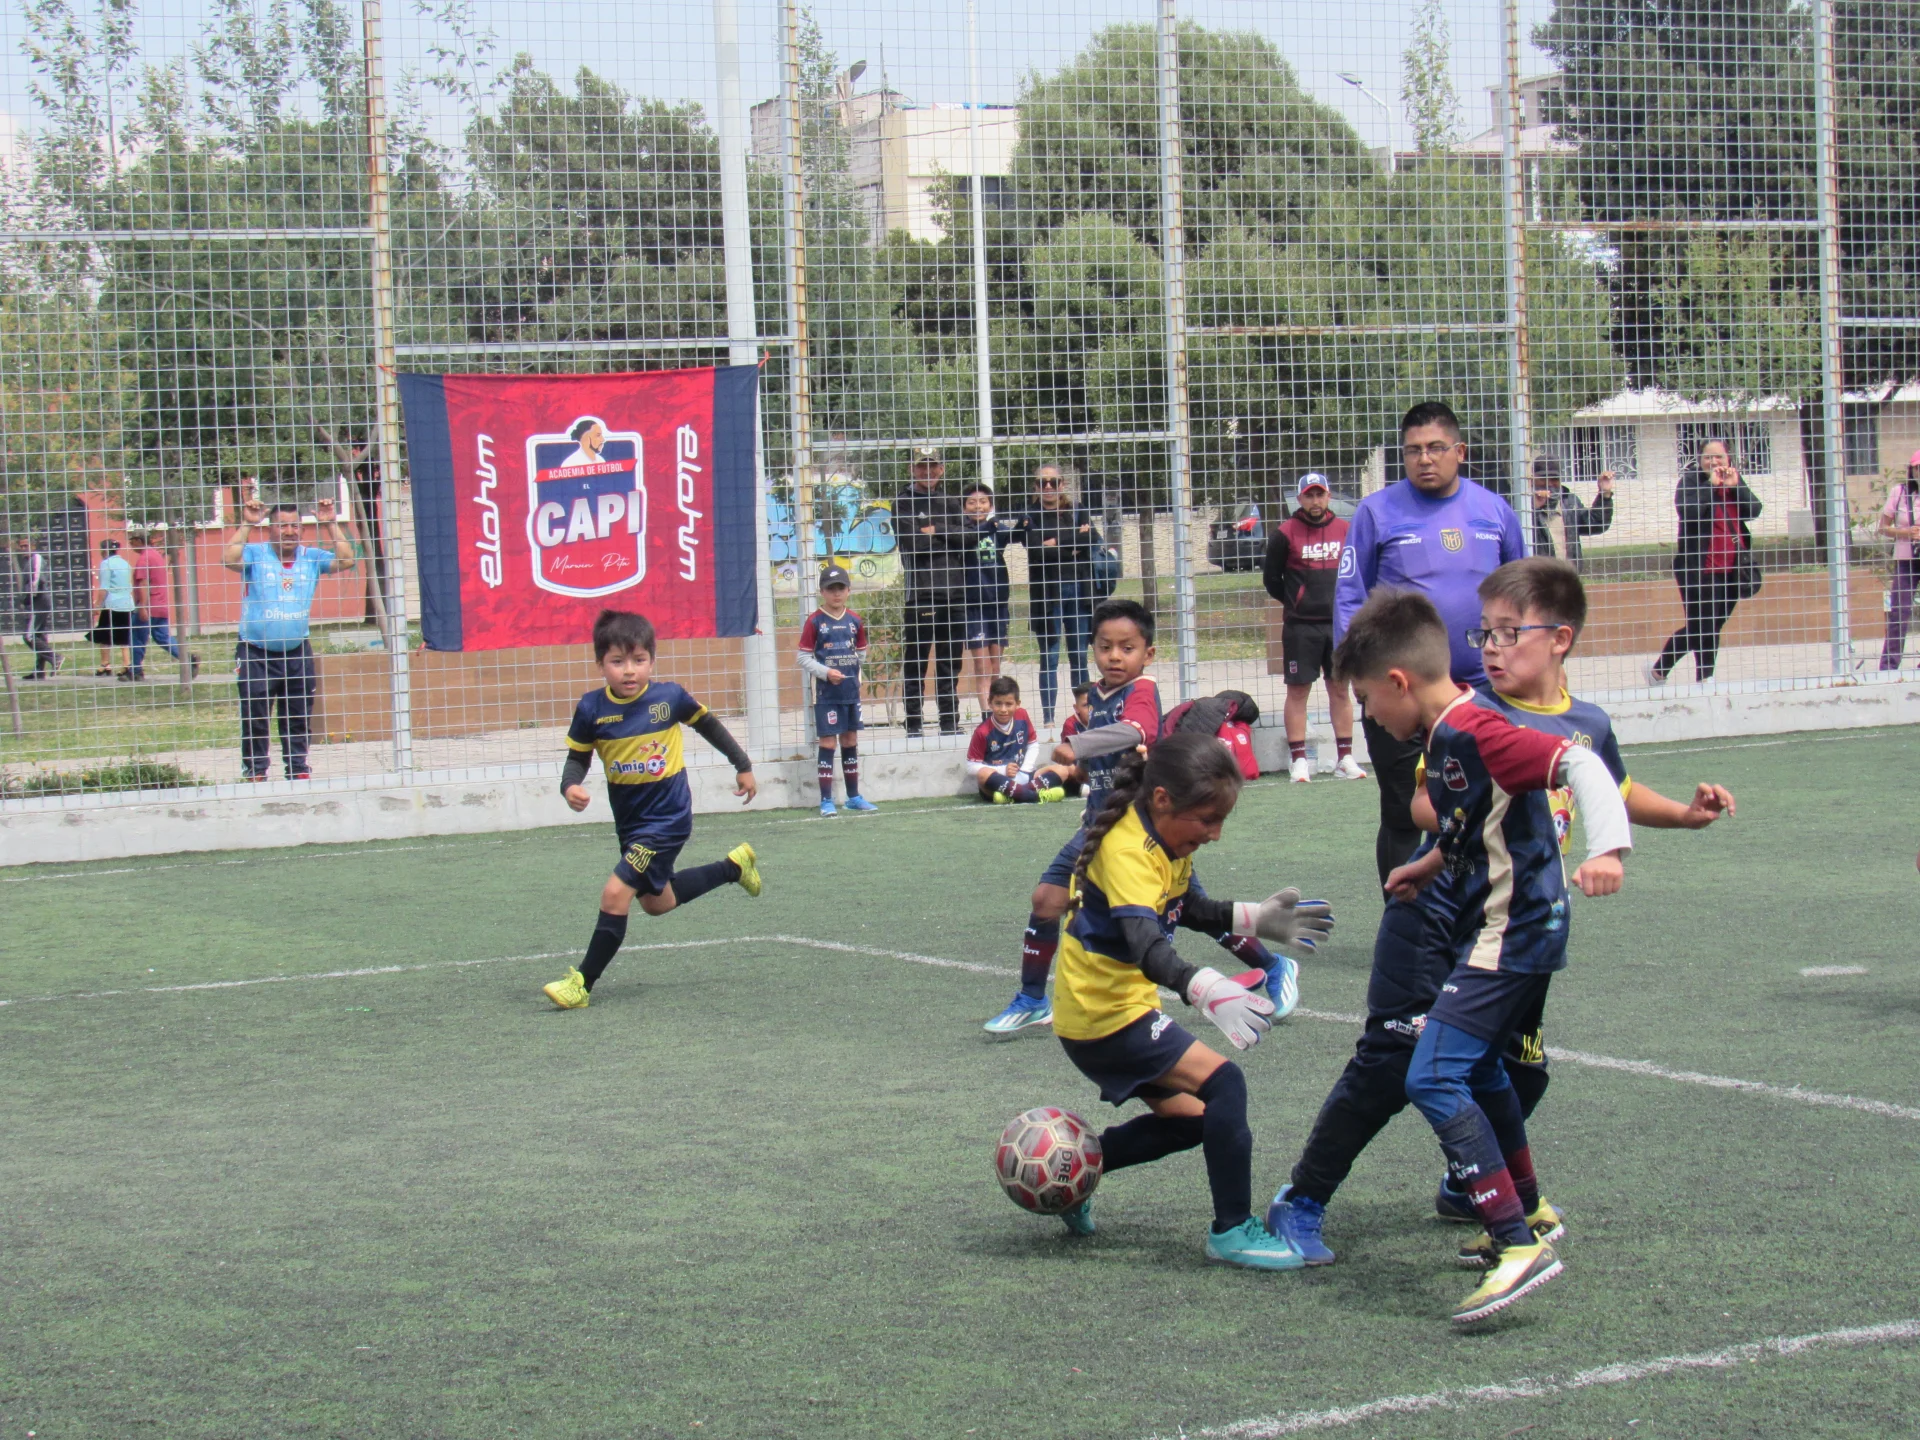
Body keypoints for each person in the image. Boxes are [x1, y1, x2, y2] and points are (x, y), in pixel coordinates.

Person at [1270, 559, 1734, 1274]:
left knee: (1515, 1072)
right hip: (1439, 911)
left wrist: (1681, 816)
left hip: (1512, 917)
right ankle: (1303, 1199)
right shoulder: (1470, 714)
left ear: (1560, 639)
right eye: (1484, 632)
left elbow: (1611, 787)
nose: (1491, 647)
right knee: (1396, 1060)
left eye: (1509, 632)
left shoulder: (1584, 724)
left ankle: (1480, 1193)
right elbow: (1430, 803)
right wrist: (1460, 830)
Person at [1333, 587, 1631, 1325]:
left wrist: (1608, 850)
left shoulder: (1479, 730)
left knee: (1432, 1076)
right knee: (1487, 1069)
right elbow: (1474, 824)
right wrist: (1427, 864)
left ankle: (1513, 1242)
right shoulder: (1447, 732)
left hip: (1513, 931)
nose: (1370, 718)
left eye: (1368, 702)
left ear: (1398, 682)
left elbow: (1582, 765)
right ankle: (1528, 1211)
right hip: (1510, 927)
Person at [1040, 731, 1333, 1266]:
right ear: (1162, 799)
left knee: (1196, 1120)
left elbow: (1188, 907)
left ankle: (1078, 1168)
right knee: (1226, 1084)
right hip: (1103, 1016)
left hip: (1111, 1009)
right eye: (1207, 820)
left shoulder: (1166, 836)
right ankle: (1232, 1230)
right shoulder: (1128, 850)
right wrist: (1203, 988)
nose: (1215, 834)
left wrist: (1257, 919)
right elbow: (1146, 944)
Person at [1334, 401, 1527, 886]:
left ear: (1459, 451)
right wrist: (1360, 676)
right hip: (1401, 692)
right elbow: (1350, 595)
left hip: (1483, 689)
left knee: (1490, 802)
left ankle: (1484, 906)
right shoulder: (1376, 512)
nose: (1424, 459)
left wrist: (1525, 662)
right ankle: (1406, 917)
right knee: (1406, 810)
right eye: (1413, 450)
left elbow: (1523, 596)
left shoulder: (1495, 511)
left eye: (1436, 448)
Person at [542, 609, 762, 1010]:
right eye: (617, 661)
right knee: (656, 903)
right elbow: (577, 758)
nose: (629, 670)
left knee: (615, 894)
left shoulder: (669, 698)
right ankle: (734, 867)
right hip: (631, 824)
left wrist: (742, 764)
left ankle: (581, 985)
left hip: (668, 819)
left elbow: (709, 725)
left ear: (652, 661)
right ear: (600, 663)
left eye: (639, 660)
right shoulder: (591, 709)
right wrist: (569, 785)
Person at [222, 496, 357, 780]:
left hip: (296, 651)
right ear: (270, 528)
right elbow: (229, 559)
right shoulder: (256, 554)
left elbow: (347, 559)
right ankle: (256, 770)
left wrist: (330, 523)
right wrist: (247, 523)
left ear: (302, 530)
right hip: (255, 651)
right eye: (282, 526)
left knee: (297, 714)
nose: (289, 532)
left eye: (295, 526)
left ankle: (297, 768)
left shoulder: (311, 557)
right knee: (255, 714)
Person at [1262, 472, 1363, 784]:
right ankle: (1299, 761)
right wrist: (1297, 602)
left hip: (1338, 626)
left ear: (1328, 496)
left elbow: (1356, 573)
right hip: (1300, 628)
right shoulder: (1284, 533)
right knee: (1298, 691)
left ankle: (1345, 758)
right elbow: (1271, 579)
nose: (1315, 501)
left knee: (1340, 688)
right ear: (1300, 499)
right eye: (1309, 495)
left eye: (1320, 495)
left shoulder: (1346, 530)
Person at [1648, 438, 1762, 684]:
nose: (1713, 462)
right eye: (1708, 457)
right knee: (1704, 625)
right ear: (1700, 460)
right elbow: (1689, 512)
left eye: (1719, 456)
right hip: (1700, 568)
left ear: (1728, 458)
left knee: (1710, 625)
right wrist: (1711, 485)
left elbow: (1753, 510)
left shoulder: (1733, 480)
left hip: (1733, 569)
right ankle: (1705, 679)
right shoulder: (1691, 481)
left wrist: (1736, 487)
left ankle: (1659, 670)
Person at [891, 446, 971, 737]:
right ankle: (914, 724)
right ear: (912, 470)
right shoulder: (903, 503)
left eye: (933, 466)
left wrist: (935, 529)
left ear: (942, 469)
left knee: (950, 663)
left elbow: (969, 537)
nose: (928, 471)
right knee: (917, 661)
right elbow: (914, 544)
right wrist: (949, 535)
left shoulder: (950, 501)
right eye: (922, 466)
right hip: (922, 594)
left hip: (955, 593)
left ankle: (949, 723)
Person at [1014, 462, 1096, 723]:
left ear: (1063, 484)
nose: (1048, 486)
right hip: (1047, 593)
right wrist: (1072, 543)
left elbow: (1091, 539)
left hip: (1078, 590)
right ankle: (1048, 718)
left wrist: (1056, 542)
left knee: (1079, 655)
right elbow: (1036, 550)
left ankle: (1084, 716)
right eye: (1042, 482)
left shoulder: (1077, 509)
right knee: (1049, 656)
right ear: (1035, 487)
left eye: (1053, 482)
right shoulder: (1029, 514)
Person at [797, 564, 878, 817]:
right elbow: (803, 657)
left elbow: (861, 653)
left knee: (850, 740)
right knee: (828, 742)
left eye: (841, 588)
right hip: (826, 694)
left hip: (850, 692)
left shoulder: (855, 621)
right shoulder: (815, 621)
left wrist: (852, 672)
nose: (836, 593)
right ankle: (826, 801)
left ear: (848, 591)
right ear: (822, 592)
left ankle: (853, 797)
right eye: (831, 589)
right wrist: (825, 672)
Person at [966, 677, 1064, 804]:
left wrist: (1025, 770)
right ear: (989, 703)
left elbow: (1033, 744)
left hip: (1024, 773)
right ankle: (1035, 796)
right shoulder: (982, 732)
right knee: (983, 774)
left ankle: (1015, 795)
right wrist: (1003, 770)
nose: (1003, 709)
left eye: (1008, 704)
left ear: (1018, 703)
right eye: (998, 703)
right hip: (999, 781)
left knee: (1062, 770)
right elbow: (971, 766)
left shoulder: (1022, 715)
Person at [961, 483, 1013, 713]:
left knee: (995, 667)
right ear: (964, 507)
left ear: (991, 506)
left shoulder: (997, 528)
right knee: (981, 666)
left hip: (998, 604)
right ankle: (985, 714)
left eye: (983, 501)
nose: (978, 506)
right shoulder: (962, 530)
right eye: (972, 502)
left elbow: (1017, 535)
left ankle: (997, 713)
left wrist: (1024, 524)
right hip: (974, 606)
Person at [126, 527, 198, 680]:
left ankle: (135, 670)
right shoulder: (156, 555)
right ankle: (187, 658)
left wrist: (142, 607)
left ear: (139, 541)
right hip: (161, 605)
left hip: (149, 605)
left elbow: (144, 583)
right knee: (163, 637)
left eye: (131, 541)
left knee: (137, 637)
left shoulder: (144, 559)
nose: (130, 545)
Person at [1527, 457, 1614, 571]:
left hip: (1567, 574)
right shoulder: (1523, 505)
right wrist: (1534, 508)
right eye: (1543, 479)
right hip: (1537, 575)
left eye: (1554, 479)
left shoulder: (1569, 501)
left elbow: (1596, 524)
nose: (1549, 484)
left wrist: (1605, 494)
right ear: (1532, 479)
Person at [1877, 450, 1920, 672]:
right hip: (1906, 560)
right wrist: (1905, 533)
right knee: (1899, 612)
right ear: (1911, 470)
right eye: (1918, 468)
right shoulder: (1899, 492)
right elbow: (1882, 528)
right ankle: (1889, 666)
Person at [13, 535, 60, 680]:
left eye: (26, 546)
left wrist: (28, 598)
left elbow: (36, 580)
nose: (23, 549)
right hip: (34, 601)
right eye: (21, 546)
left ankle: (55, 657)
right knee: (40, 635)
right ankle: (39, 671)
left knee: (29, 636)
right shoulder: (26, 561)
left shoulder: (36, 558)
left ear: (33, 546)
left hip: (39, 600)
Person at [90, 538, 136, 678]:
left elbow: (104, 587)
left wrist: (97, 605)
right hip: (127, 603)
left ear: (104, 550)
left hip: (112, 604)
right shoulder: (125, 563)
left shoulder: (106, 564)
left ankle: (105, 664)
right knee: (124, 636)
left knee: (105, 635)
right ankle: (127, 664)